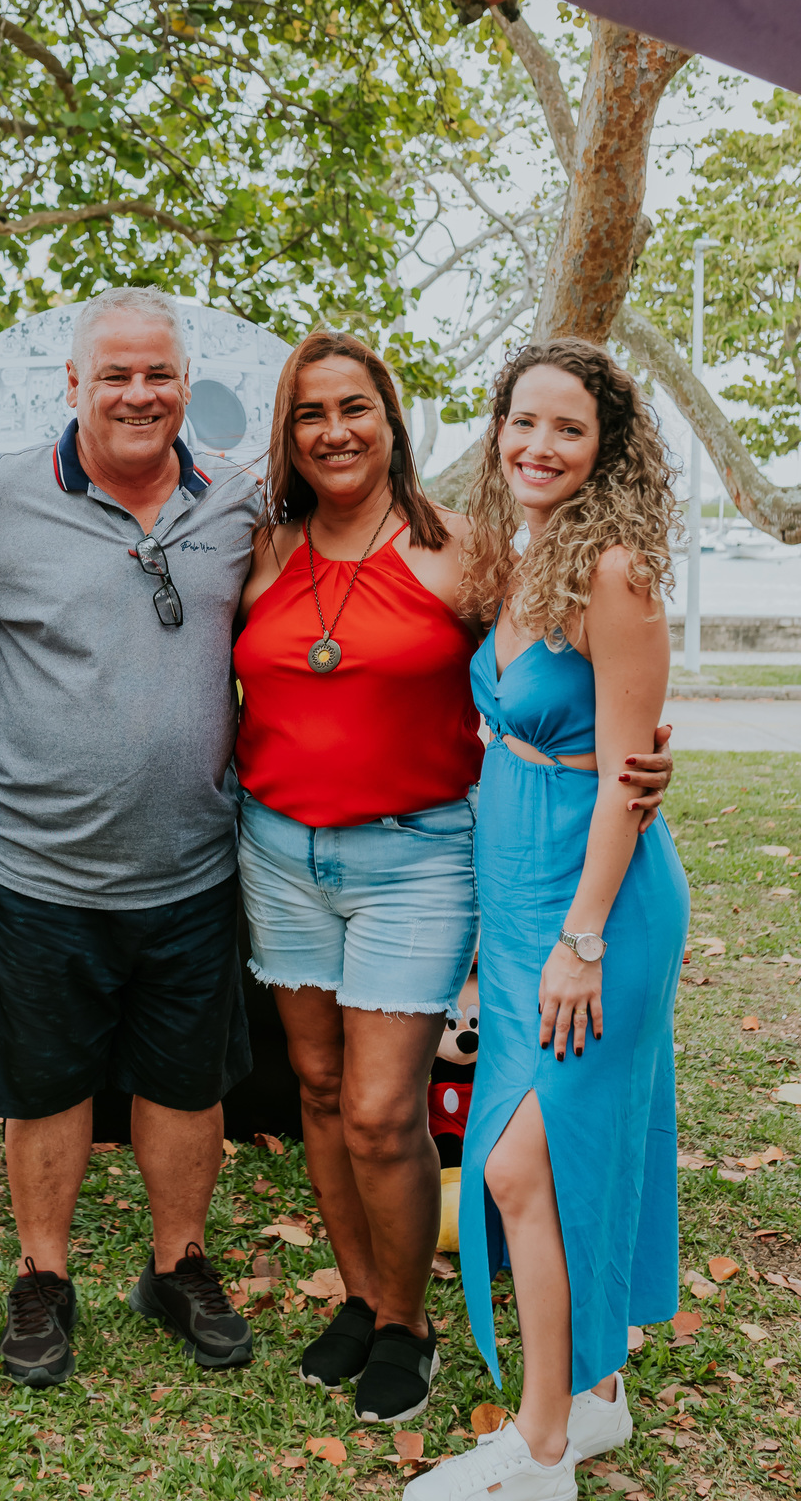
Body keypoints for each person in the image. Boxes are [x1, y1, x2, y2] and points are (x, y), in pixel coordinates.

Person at [232, 330, 674, 1427]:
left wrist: (640, 761)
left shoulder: (470, 552)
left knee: (386, 1110)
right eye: (309, 413)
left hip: (420, 855)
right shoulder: (262, 549)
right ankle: (365, 1296)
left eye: (357, 408)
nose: (334, 430)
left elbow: (586, 680)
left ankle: (412, 1327)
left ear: (394, 419)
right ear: (288, 434)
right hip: (281, 851)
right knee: (321, 1093)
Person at [0, 287, 260, 1387]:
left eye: (158, 374)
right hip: (39, 868)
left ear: (187, 385)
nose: (138, 393)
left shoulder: (239, 507)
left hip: (193, 865)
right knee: (48, 1083)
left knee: (185, 1083)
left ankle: (177, 1265)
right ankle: (44, 1276)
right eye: (113, 374)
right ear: (71, 385)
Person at [409, 340, 690, 1501]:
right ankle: (599, 1398)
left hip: (597, 904)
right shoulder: (526, 555)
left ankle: (538, 1453)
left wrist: (582, 939)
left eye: (568, 430)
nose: (539, 447)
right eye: (523, 423)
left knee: (527, 1166)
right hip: (519, 889)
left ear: (605, 448)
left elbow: (629, 775)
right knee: (554, 1152)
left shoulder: (614, 571)